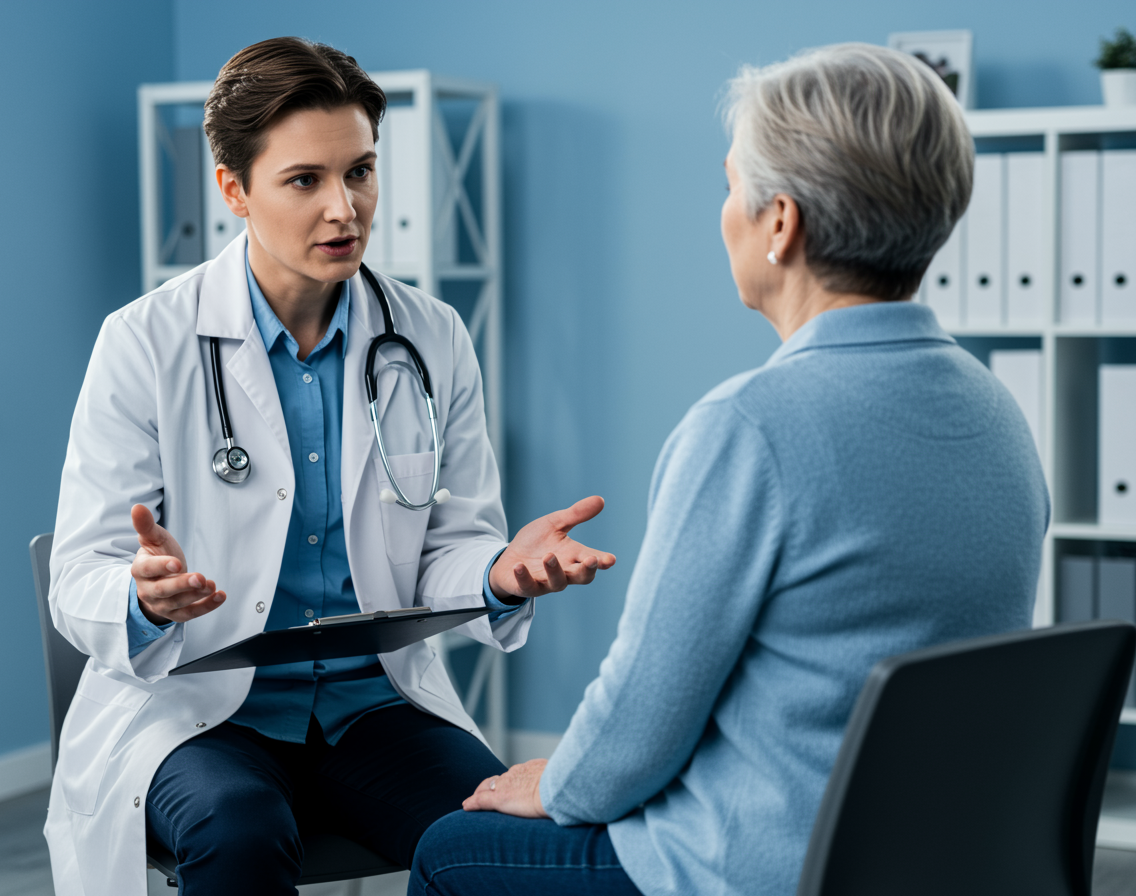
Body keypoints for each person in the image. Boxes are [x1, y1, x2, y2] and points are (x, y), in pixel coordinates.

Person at [407, 43, 1050, 896]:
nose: (726, 213)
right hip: (941, 861)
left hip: (759, 869)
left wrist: (557, 781)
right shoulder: (998, 413)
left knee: (452, 851)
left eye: (731, 185)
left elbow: (640, 728)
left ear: (780, 223)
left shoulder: (748, 429)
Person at [44, 36, 615, 896]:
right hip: (199, 717)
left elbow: (449, 547)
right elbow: (78, 571)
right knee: (239, 831)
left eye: (361, 172)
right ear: (233, 190)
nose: (344, 208)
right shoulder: (144, 342)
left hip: (375, 708)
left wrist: (500, 572)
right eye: (305, 180)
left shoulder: (432, 336)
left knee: (500, 839)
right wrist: (141, 597)